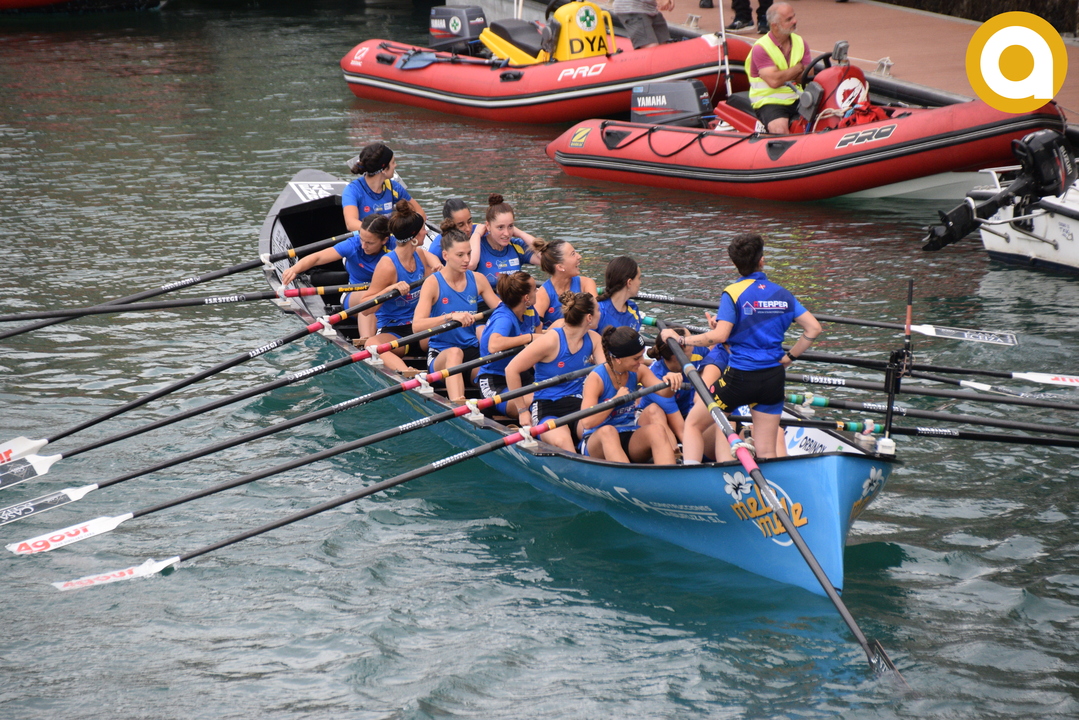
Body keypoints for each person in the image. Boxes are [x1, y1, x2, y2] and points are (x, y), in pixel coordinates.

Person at [660, 232, 821, 461]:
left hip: (740, 378)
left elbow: (720, 335)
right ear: (762, 260)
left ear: (735, 264)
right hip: (773, 378)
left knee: (693, 424)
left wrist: (682, 340)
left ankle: (690, 474)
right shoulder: (783, 294)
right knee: (766, 451)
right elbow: (813, 329)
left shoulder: (733, 293)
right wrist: (788, 359)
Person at [505, 291, 605, 453]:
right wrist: (522, 411)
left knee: (600, 434)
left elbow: (605, 374)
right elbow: (511, 370)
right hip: (547, 407)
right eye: (598, 310)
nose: (600, 314)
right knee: (564, 442)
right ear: (589, 318)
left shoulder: (594, 339)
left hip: (578, 405)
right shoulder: (551, 340)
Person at [412, 227, 501, 402]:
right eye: (460, 255)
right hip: (441, 354)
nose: (467, 260)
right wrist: (451, 316)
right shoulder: (433, 283)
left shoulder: (478, 279)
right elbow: (417, 326)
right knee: (454, 353)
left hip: (472, 352)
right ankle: (459, 406)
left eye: (469, 253)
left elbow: (502, 310)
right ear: (445, 255)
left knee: (495, 365)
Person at [359, 201, 442, 373]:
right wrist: (390, 290)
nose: (426, 232)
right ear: (413, 237)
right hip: (395, 333)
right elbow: (365, 308)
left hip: (420, 326)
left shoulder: (420, 254)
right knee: (372, 345)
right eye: (423, 229)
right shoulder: (387, 265)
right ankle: (407, 373)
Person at [577, 327, 680, 464]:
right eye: (636, 358)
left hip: (628, 432)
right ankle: (627, 476)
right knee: (608, 432)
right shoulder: (596, 378)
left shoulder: (639, 371)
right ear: (618, 359)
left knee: (657, 430)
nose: (642, 361)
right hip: (597, 440)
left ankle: (670, 473)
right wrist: (615, 401)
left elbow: (665, 393)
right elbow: (587, 422)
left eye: (642, 355)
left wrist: (671, 382)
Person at [280, 213, 393, 337]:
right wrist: (294, 269)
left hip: (390, 295)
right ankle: (366, 342)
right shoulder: (353, 245)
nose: (363, 246)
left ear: (384, 240)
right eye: (362, 239)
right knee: (370, 296)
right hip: (357, 295)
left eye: (370, 243)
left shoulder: (395, 246)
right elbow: (317, 258)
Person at [476, 271, 544, 417]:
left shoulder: (530, 310)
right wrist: (529, 337)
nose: (537, 291)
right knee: (540, 402)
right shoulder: (504, 317)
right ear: (526, 297)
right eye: (534, 289)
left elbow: (539, 331)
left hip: (523, 375)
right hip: (495, 381)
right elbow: (494, 345)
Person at [637, 333, 725, 445]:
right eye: (690, 351)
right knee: (656, 411)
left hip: (684, 414)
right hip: (660, 420)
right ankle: (673, 450)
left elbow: (718, 352)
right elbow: (681, 431)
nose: (693, 351)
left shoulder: (695, 351)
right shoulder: (657, 376)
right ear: (676, 356)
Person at [745, 2, 812, 135]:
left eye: (794, 16)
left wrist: (783, 75)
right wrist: (798, 68)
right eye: (789, 19)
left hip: (798, 97)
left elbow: (808, 75)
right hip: (769, 101)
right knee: (780, 130)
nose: (795, 21)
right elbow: (774, 81)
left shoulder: (800, 42)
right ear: (774, 25)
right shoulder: (761, 48)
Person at [342, 142, 426, 232]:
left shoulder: (394, 187)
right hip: (364, 239)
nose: (395, 165)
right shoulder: (353, 190)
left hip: (388, 237)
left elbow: (421, 214)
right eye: (393, 162)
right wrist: (382, 232)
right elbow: (351, 224)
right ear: (384, 169)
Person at [468, 194, 541, 285]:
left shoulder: (516, 246)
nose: (506, 233)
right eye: (500, 227)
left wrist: (521, 233)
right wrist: (477, 234)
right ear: (488, 226)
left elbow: (548, 259)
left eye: (510, 226)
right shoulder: (477, 246)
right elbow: (470, 265)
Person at [532, 238, 598, 326]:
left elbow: (595, 318)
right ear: (560, 267)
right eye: (573, 254)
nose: (579, 256)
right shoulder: (542, 295)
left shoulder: (586, 284)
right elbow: (534, 330)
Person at [596, 256, 642, 333]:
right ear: (629, 282)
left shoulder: (634, 309)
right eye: (639, 278)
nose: (640, 282)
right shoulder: (598, 311)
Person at [428, 197, 474, 265]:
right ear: (450, 224)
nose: (468, 229)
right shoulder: (437, 250)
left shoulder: (479, 231)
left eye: (469, 222)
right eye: (461, 225)